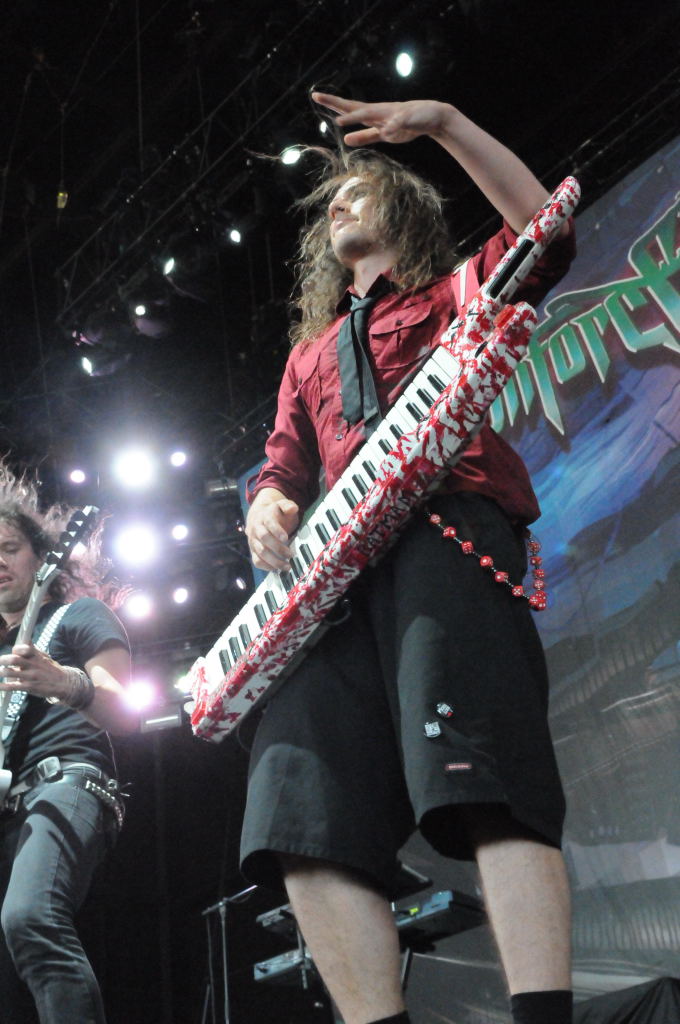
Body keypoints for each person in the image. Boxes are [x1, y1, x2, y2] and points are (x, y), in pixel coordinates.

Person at [242, 93, 577, 1024]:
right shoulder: (307, 356)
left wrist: (444, 125)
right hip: (333, 589)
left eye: (358, 191)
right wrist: (266, 505)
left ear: (403, 210)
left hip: (445, 534)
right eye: (331, 201)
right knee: (299, 819)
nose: (339, 205)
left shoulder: (452, 294)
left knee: (487, 785)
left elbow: (545, 231)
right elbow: (282, 466)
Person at [0, 463, 137, 1024]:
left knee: (31, 916)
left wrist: (63, 682)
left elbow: (126, 714)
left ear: (41, 558)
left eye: (8, 548)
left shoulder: (78, 616)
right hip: (7, 807)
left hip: (68, 783)